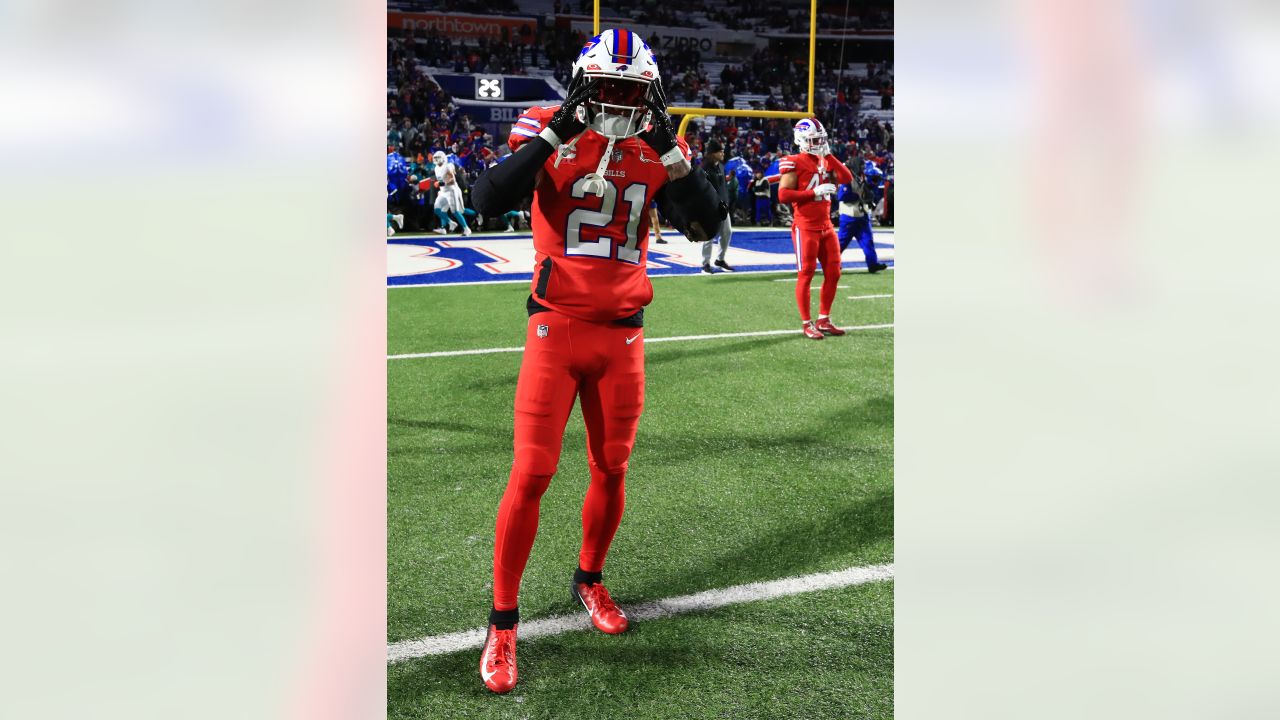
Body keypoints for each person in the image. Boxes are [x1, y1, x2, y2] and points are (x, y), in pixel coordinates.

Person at [470, 28, 724, 694]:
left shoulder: (660, 146)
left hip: (624, 335)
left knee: (612, 467)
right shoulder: (548, 130)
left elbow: (703, 224)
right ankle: (502, 621)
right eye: (606, 88)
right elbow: (485, 198)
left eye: (628, 91)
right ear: (583, 86)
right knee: (532, 471)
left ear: (651, 95)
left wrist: (670, 151)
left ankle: (590, 578)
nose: (616, 101)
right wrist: (555, 133)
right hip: (557, 327)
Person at [777, 118, 853, 340]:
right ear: (801, 140)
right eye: (815, 139)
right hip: (806, 227)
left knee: (834, 272)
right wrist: (813, 192)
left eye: (821, 139)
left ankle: (824, 319)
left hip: (826, 226)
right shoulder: (794, 161)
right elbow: (783, 195)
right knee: (806, 273)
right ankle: (806, 323)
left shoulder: (824, 159)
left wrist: (829, 155)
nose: (819, 142)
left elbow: (847, 178)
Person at [837, 163, 888, 273]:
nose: (876, 182)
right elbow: (841, 197)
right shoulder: (850, 181)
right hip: (849, 217)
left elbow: (868, 199)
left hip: (863, 217)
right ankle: (832, 264)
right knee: (840, 243)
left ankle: (872, 264)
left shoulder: (867, 185)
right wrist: (859, 195)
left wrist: (865, 195)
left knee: (868, 242)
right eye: (875, 179)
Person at [699, 139, 734, 273]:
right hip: (709, 207)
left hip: (722, 206)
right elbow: (701, 189)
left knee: (727, 232)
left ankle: (720, 259)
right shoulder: (703, 168)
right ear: (712, 153)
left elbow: (722, 186)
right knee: (708, 236)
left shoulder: (721, 166)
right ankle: (705, 263)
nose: (722, 153)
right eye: (719, 151)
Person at [431, 150, 470, 235]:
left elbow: (452, 180)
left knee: (455, 211)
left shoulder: (448, 166)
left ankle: (466, 228)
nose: (436, 160)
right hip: (443, 191)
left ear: (443, 158)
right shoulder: (436, 168)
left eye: (438, 158)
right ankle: (449, 224)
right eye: (435, 158)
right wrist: (440, 189)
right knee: (437, 209)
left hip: (451, 190)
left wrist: (441, 183)